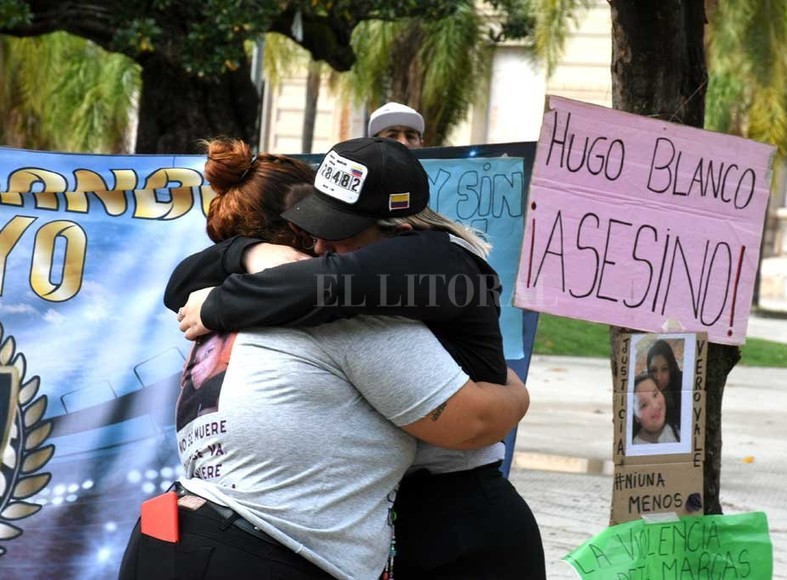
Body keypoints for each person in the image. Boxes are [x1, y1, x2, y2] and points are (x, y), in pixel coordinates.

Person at [119, 139, 530, 580]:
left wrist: (220, 301)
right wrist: (248, 253)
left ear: (398, 233)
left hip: (456, 511)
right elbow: (181, 282)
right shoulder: (374, 280)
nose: (317, 249)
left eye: (337, 232)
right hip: (386, 514)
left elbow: (322, 285)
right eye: (314, 230)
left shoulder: (438, 264)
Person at [646, 338, 684, 436]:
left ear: (671, 369)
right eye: (653, 370)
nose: (658, 377)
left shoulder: (682, 390)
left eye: (664, 369)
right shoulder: (643, 388)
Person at [632, 372, 680, 445]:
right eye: (644, 405)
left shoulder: (680, 428)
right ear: (636, 417)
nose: (655, 406)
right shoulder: (634, 446)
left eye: (655, 395)